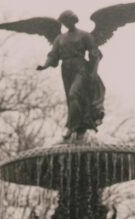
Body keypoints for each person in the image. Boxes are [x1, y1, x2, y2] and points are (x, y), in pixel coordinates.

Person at [37, 10, 105, 141]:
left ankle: (71, 126)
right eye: (63, 22)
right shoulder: (60, 38)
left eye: (66, 21)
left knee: (74, 94)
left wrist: (93, 72)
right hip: (66, 69)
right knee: (71, 99)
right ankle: (80, 125)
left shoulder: (85, 35)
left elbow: (94, 54)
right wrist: (45, 65)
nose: (65, 24)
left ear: (73, 20)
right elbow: (53, 54)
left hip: (81, 67)